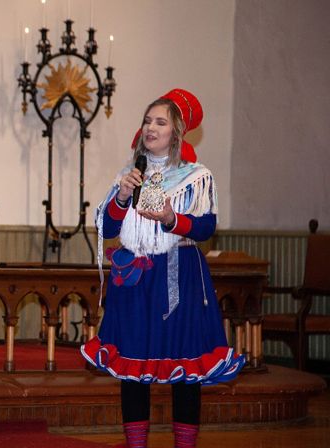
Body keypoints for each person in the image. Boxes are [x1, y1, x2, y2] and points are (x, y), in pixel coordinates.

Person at [81, 89, 246, 448]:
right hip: (135, 281)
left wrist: (172, 218)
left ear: (177, 132)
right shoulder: (128, 175)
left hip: (178, 275)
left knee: (185, 368)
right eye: (146, 121)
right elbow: (108, 230)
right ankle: (135, 444)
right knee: (131, 367)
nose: (150, 128)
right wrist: (122, 197)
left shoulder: (195, 177)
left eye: (160, 122)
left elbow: (205, 228)